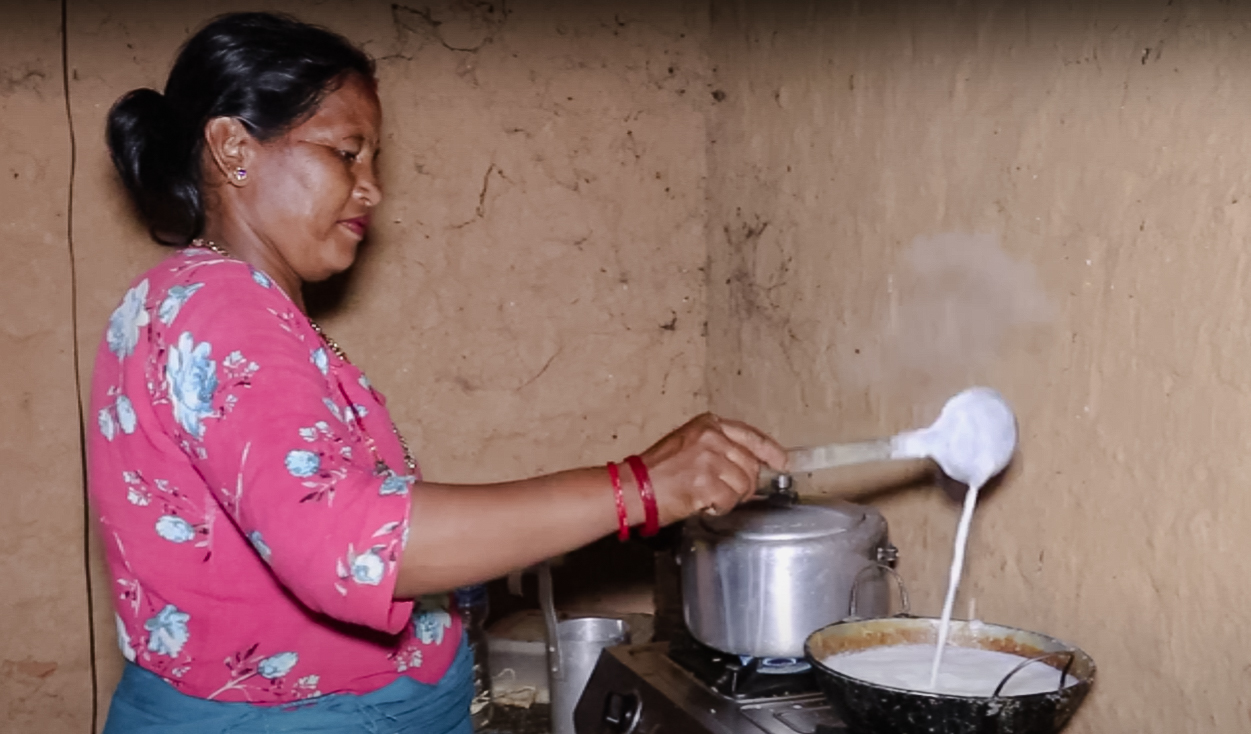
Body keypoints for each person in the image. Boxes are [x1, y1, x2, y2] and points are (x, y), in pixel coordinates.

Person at [89, 11, 786, 734]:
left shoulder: (210, 303)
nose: (371, 190)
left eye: (373, 160)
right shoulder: (220, 301)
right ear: (234, 146)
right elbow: (349, 545)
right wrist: (640, 488)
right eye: (345, 154)